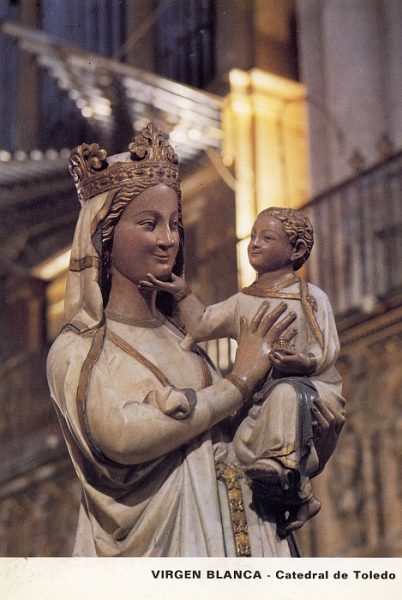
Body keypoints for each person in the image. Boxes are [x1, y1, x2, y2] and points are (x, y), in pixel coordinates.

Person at [47, 123, 344, 557]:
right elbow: (119, 436)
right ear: (103, 236)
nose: (168, 239)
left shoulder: (182, 337)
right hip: (170, 550)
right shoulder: (79, 349)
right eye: (149, 224)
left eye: (175, 224)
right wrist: (238, 382)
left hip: (243, 538)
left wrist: (306, 419)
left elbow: (232, 442)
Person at [140, 207, 346, 536]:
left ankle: (283, 473)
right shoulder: (243, 300)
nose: (255, 244)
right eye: (253, 236)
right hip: (262, 395)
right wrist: (182, 293)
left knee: (286, 396)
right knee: (269, 408)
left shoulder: (311, 297)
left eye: (267, 238)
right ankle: (295, 489)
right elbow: (203, 322)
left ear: (294, 250)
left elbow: (327, 349)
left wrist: (302, 363)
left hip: (313, 387)